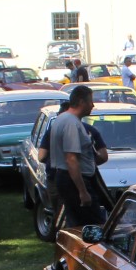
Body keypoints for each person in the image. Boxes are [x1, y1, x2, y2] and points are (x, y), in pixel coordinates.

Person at [40, 84, 108, 227]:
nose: (93, 105)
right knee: (95, 223)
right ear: (82, 102)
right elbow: (71, 159)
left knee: (75, 222)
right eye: (90, 101)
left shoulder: (61, 119)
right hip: (73, 181)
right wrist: (82, 192)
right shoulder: (71, 123)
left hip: (65, 179)